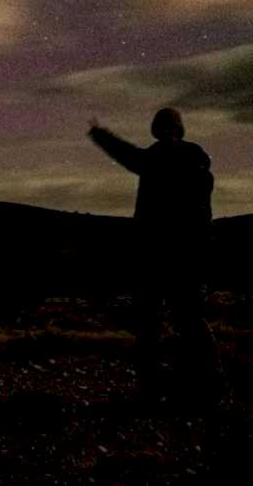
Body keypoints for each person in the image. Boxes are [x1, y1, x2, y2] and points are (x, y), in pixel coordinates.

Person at [87, 108, 224, 408]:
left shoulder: (154, 159)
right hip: (189, 254)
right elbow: (204, 218)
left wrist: (100, 135)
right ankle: (207, 382)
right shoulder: (199, 166)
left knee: (150, 322)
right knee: (189, 319)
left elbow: (126, 154)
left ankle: (152, 388)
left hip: (155, 253)